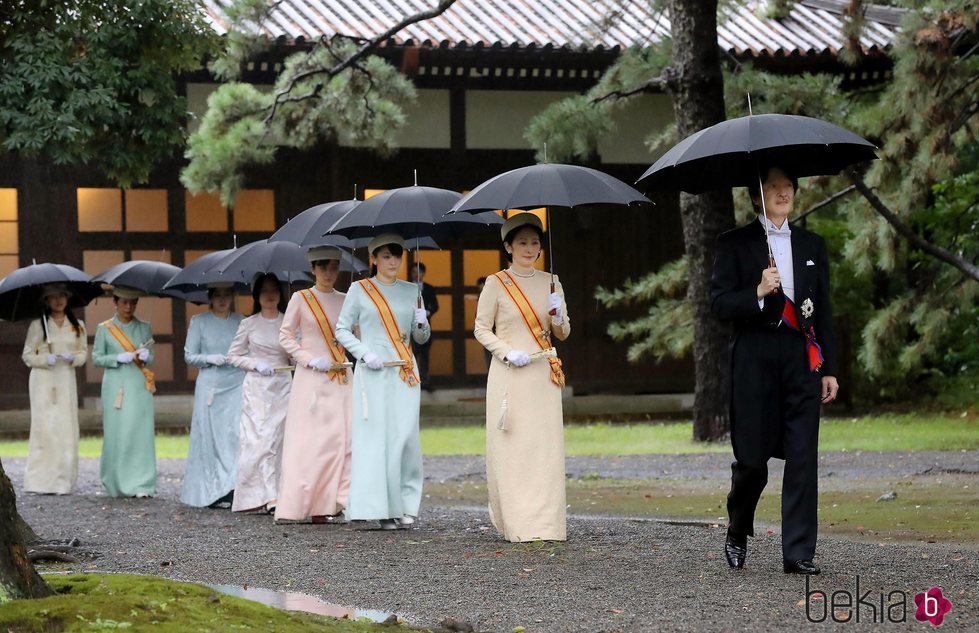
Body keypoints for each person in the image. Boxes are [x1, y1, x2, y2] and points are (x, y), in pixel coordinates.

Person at [710, 166, 839, 575]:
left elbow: (826, 312)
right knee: (751, 459)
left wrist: (828, 368)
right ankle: (737, 526)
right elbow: (719, 306)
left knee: (803, 456)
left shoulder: (812, 244)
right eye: (772, 186)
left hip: (801, 358)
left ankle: (798, 552)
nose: (783, 192)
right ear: (755, 196)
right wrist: (757, 292)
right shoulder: (733, 245)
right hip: (753, 356)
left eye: (788, 186)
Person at [473, 213, 570, 542]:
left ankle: (547, 524)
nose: (530, 248)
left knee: (544, 448)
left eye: (535, 242)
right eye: (522, 243)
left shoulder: (551, 281)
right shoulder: (496, 283)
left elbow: (563, 332)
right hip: (511, 374)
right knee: (515, 447)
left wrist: (557, 315)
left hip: (543, 374)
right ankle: (518, 523)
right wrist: (504, 351)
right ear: (508, 247)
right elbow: (481, 328)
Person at [335, 234, 430, 530]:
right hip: (373, 372)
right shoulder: (359, 289)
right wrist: (364, 353)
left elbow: (421, 338)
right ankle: (381, 508)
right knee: (376, 439)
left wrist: (421, 322)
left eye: (397, 256)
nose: (393, 262)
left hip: (404, 371)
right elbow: (341, 330)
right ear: (373, 258)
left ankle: (406, 503)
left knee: (405, 437)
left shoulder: (412, 290)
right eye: (386, 256)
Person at [276, 246, 353, 523]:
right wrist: (308, 360)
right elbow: (285, 337)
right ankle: (307, 502)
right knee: (311, 441)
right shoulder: (301, 298)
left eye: (334, 267)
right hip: (311, 378)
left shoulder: (347, 298)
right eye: (323, 267)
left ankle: (335, 502)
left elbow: (357, 332)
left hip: (341, 376)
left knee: (342, 438)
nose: (329, 273)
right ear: (313, 269)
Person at [227, 273, 292, 514]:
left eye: (274, 290)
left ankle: (279, 494)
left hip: (283, 385)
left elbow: (295, 351)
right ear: (257, 295)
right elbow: (232, 356)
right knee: (260, 439)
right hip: (257, 388)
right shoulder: (249, 324)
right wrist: (254, 363)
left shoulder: (287, 321)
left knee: (279, 439)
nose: (270, 295)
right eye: (264, 290)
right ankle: (261, 495)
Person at [180, 283, 245, 509]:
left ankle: (233, 487)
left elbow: (249, 348)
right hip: (211, 385)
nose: (222, 299)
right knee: (210, 438)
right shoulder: (200, 321)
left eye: (227, 294)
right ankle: (211, 490)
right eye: (218, 295)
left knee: (234, 436)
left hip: (236, 383)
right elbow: (189, 355)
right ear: (210, 297)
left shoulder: (240, 321)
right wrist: (209, 358)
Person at [20, 283, 88, 494]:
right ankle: (40, 480)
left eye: (62, 296)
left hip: (65, 378)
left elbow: (83, 353)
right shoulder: (38, 326)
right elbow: (27, 355)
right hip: (43, 380)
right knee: (45, 427)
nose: (58, 300)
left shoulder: (78, 325)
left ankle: (63, 481)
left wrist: (73, 358)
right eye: (53, 297)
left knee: (65, 426)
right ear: (46, 301)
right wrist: (44, 359)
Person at [91, 285, 156, 498]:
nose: (129, 307)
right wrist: (117, 358)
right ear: (116, 302)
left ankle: (142, 483)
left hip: (139, 384)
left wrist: (146, 355)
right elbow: (97, 357)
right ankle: (116, 481)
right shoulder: (105, 328)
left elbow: (152, 355)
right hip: (116, 385)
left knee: (140, 432)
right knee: (118, 432)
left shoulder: (144, 327)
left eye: (133, 302)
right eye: (124, 302)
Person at [408, 262, 439, 390]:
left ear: (423, 273)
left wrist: (427, 312)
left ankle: (425, 380)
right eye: (414, 271)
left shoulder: (429, 288)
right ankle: (411, 379)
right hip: (409, 325)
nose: (417, 274)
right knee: (412, 354)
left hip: (425, 325)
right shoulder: (406, 287)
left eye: (419, 272)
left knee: (424, 355)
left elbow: (435, 305)